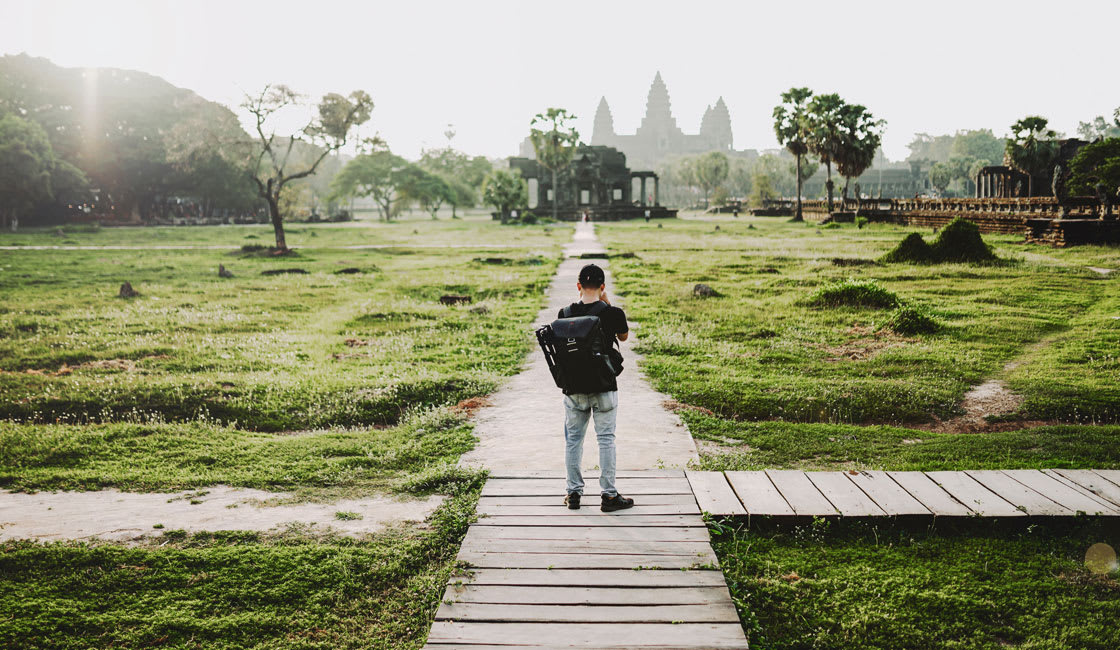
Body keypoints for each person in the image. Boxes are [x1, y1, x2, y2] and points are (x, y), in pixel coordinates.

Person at [560, 263, 634, 512]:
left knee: (573, 441)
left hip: (574, 388)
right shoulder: (612, 313)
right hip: (604, 386)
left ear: (578, 286)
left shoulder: (565, 313)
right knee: (606, 440)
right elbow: (623, 337)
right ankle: (609, 496)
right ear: (603, 287)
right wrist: (607, 303)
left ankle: (573, 494)